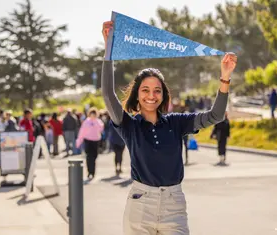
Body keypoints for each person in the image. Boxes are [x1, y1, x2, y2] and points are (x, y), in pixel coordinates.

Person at [101, 21, 237, 234]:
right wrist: (109, 49)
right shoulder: (128, 125)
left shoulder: (176, 122)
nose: (151, 95)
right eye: (145, 90)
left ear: (163, 95)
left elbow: (216, 115)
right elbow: (108, 95)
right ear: (137, 94)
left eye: (157, 90)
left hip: (174, 206)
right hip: (140, 206)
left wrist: (225, 77)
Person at [76, 107, 104, 179]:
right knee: (89, 157)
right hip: (88, 141)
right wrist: (79, 141)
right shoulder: (86, 122)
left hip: (96, 141)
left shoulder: (98, 121)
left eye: (94, 114)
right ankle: (89, 172)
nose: (93, 116)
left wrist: (95, 123)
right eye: (91, 114)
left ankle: (93, 172)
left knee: (94, 157)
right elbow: (82, 132)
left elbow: (101, 129)